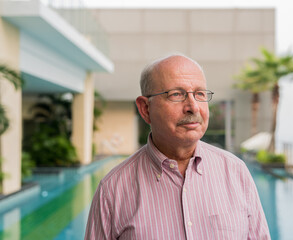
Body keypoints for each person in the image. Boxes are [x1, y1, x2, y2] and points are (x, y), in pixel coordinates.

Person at [84, 54, 270, 240]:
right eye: (176, 94)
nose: (193, 107)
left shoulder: (236, 172)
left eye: (200, 94)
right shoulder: (112, 191)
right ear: (145, 109)